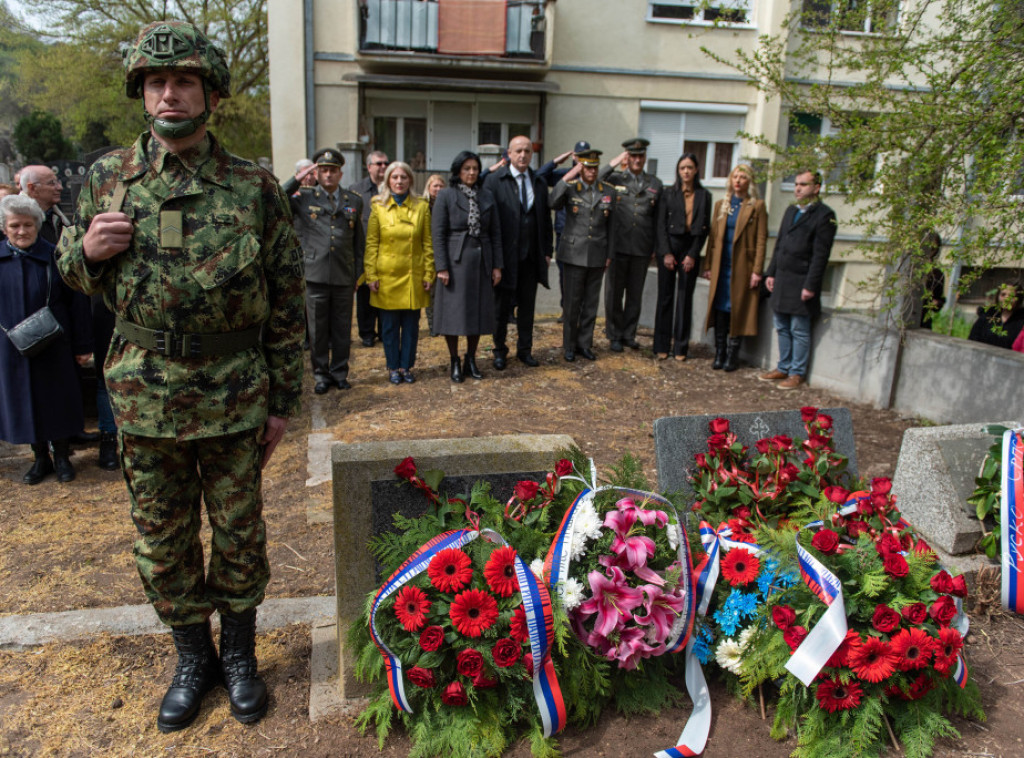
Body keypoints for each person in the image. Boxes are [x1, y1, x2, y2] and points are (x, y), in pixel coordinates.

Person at [57, 20, 305, 733]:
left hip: (233, 395)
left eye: (184, 80)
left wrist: (283, 403)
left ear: (211, 95)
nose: (169, 93)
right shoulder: (108, 177)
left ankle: (239, 657)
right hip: (143, 394)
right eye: (157, 83)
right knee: (162, 540)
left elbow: (288, 301)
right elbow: (72, 273)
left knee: (238, 534)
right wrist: (90, 253)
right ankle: (191, 657)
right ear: (143, 94)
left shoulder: (254, 185)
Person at [0, 194, 92, 484]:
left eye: (28, 225)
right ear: (5, 228)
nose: (21, 231)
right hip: (10, 347)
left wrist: (82, 345)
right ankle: (40, 458)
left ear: (37, 226)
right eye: (15, 225)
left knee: (57, 399)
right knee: (22, 402)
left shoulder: (56, 257)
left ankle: (63, 456)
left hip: (54, 343)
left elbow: (77, 303)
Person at [289, 148, 364, 394]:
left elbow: (358, 243)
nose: (328, 175)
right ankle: (321, 374)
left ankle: (340, 372)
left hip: (343, 275)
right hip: (315, 275)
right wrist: (299, 178)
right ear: (317, 173)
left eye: (333, 170)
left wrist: (357, 274)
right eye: (323, 170)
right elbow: (276, 197)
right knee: (318, 330)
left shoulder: (353, 201)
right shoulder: (304, 198)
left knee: (342, 328)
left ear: (340, 173)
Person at [760, 170, 837, 389]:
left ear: (816, 187)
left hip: (802, 281)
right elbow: (780, 245)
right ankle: (783, 367)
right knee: (781, 325)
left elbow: (821, 255)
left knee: (799, 328)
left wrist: (811, 285)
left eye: (803, 184)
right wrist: (771, 272)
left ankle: (796, 372)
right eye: (796, 184)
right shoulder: (791, 211)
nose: (798, 188)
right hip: (783, 278)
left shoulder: (824, 215)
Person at [431, 151, 503, 383]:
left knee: (478, 313)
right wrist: (441, 266)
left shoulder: (487, 196)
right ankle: (454, 360)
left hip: (482, 261)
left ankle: (471, 359)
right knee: (453, 313)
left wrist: (497, 266)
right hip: (455, 262)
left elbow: (495, 233)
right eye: (466, 168)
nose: (471, 173)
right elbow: (438, 233)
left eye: (474, 168)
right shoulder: (446, 196)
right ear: (457, 171)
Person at [482, 135, 552, 369]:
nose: (523, 155)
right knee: (500, 308)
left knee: (527, 308)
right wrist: (493, 260)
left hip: (531, 258)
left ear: (532, 155)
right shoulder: (494, 181)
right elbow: (489, 224)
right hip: (504, 258)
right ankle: (499, 350)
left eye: (527, 151)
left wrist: (548, 251)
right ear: (509, 154)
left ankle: (525, 349)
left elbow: (545, 220)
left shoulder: (539, 182)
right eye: (518, 151)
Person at [364, 161, 435, 384]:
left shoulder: (422, 206)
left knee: (411, 327)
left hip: (413, 275)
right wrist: (371, 275)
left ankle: (406, 366)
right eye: (394, 177)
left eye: (403, 177)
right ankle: (393, 366)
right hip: (387, 276)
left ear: (410, 180)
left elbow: (427, 243)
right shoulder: (378, 206)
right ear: (387, 181)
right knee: (389, 327)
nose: (399, 181)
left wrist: (428, 273)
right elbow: (372, 243)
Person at [550, 148, 616, 362]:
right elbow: (552, 202)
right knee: (572, 303)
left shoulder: (608, 191)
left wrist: (609, 254)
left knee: (590, 303)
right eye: (587, 167)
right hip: (573, 254)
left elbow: (612, 227)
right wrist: (568, 176)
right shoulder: (571, 189)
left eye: (595, 167)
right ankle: (569, 345)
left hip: (597, 254)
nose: (592, 171)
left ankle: (585, 344)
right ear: (581, 168)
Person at [702, 163, 767, 372]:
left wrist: (757, 270)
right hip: (722, 265)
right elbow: (713, 238)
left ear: (749, 182)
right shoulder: (722, 205)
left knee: (736, 307)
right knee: (720, 307)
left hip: (742, 267)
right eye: (735, 177)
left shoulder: (756, 206)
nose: (738, 181)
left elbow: (761, 240)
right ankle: (719, 352)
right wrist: (709, 265)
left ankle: (732, 354)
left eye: (743, 178)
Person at [600, 138, 663, 352]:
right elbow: (596, 178)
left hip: (642, 248)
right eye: (632, 156)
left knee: (635, 295)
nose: (637, 160)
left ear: (645, 158)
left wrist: (655, 245)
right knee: (614, 294)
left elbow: (658, 219)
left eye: (640, 156)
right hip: (617, 247)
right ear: (627, 157)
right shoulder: (615, 178)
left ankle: (629, 334)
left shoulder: (654, 183)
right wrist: (615, 162)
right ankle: (614, 334)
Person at [654, 153, 712, 361]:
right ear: (678, 171)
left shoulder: (704, 195)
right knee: (665, 297)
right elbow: (659, 225)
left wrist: (693, 254)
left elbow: (704, 228)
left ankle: (680, 347)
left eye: (689, 167)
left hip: (690, 247)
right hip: (669, 245)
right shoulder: (668, 193)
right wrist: (666, 253)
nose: (686, 171)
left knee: (685, 298)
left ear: (696, 170)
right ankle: (661, 345)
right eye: (682, 168)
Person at [350, 150, 389, 347]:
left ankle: (384, 330)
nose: (383, 167)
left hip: (387, 251)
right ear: (369, 166)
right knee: (365, 294)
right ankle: (366, 332)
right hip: (364, 250)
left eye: (385, 163)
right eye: (379, 164)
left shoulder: (391, 187)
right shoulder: (356, 190)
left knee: (384, 291)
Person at [20, 165, 71, 245]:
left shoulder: (57, 216)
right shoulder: (17, 218)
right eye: (52, 183)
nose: (60, 187)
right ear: (32, 188)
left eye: (58, 182)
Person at [967, 283, 1024, 350]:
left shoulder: (1021, 319)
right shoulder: (988, 314)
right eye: (1003, 295)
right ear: (998, 296)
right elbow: (973, 339)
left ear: (1019, 299)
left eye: (1011, 296)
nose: (1006, 298)